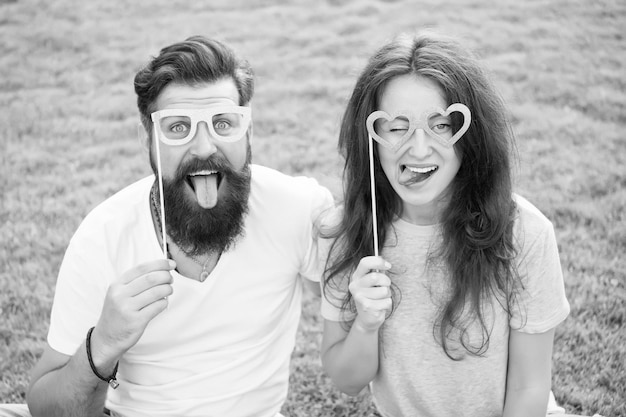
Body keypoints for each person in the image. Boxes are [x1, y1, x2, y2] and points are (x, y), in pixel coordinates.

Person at [18, 36, 333, 417]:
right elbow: (46, 407)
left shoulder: (297, 209)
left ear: (247, 133)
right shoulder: (103, 235)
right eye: (178, 128)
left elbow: (351, 297)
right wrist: (103, 343)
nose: (203, 147)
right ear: (147, 139)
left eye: (223, 124)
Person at [319, 31, 571, 417]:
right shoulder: (348, 231)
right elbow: (347, 381)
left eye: (441, 125)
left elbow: (530, 386)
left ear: (472, 136)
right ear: (369, 136)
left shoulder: (525, 233)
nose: (418, 149)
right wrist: (366, 324)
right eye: (396, 127)